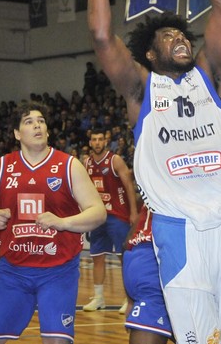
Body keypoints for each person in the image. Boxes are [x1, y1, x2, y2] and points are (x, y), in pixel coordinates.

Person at [88, 0, 221, 344]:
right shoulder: (140, 90)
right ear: (149, 54)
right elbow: (103, 37)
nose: (180, 38)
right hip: (174, 228)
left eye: (182, 34)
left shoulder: (212, 76)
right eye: (167, 37)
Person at [0, 102, 106, 344]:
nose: (37, 125)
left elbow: (98, 212)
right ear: (17, 134)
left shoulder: (68, 165)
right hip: (12, 272)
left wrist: (63, 222)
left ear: (48, 130)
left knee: (57, 341)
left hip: (58, 271)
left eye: (40, 121)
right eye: (29, 122)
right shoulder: (1, 168)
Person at [122, 205, 221, 344]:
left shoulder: (156, 187)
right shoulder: (201, 190)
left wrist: (131, 299)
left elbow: (126, 241)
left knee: (189, 326)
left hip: (134, 257)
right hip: (161, 257)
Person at [82, 129, 138, 313]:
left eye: (100, 139)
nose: (97, 142)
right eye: (94, 140)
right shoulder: (86, 162)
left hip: (117, 215)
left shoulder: (115, 160)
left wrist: (133, 212)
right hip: (98, 216)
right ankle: (99, 298)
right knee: (97, 257)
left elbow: (129, 185)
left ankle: (127, 298)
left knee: (124, 259)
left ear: (105, 141)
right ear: (90, 142)